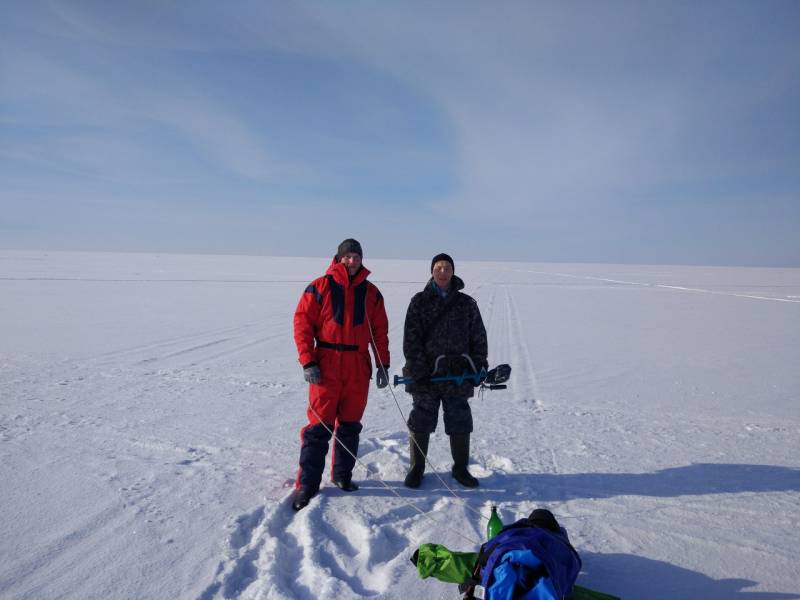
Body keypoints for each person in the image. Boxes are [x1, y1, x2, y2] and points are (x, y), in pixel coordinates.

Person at [291, 238, 390, 511]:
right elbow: (302, 324)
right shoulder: (320, 287)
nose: (352, 261)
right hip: (326, 364)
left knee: (349, 425)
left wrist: (383, 364)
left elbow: (379, 331)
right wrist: (308, 361)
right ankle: (307, 484)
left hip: (358, 366)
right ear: (339, 258)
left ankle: (342, 475)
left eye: (356, 256)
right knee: (318, 427)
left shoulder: (371, 293)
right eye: (347, 256)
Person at [402, 253, 488, 488]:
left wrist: (478, 366)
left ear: (453, 271)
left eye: (447, 267)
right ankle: (416, 468)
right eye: (438, 267)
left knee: (460, 418)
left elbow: (478, 337)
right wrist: (418, 368)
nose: (442, 271)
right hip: (426, 375)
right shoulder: (419, 301)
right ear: (432, 271)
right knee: (421, 418)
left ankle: (460, 469)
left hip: (458, 374)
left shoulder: (466, 303)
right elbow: (411, 339)